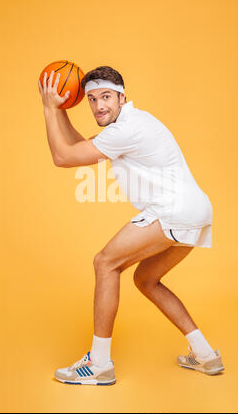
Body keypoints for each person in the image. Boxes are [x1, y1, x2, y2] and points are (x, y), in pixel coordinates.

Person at [38, 65, 225, 385]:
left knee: (105, 262)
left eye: (106, 97)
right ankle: (205, 354)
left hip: (172, 210)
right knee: (146, 279)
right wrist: (63, 110)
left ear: (122, 97)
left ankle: (98, 364)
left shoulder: (127, 128)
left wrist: (48, 108)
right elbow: (81, 148)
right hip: (195, 209)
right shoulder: (128, 124)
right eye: (92, 99)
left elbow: (62, 158)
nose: (99, 106)